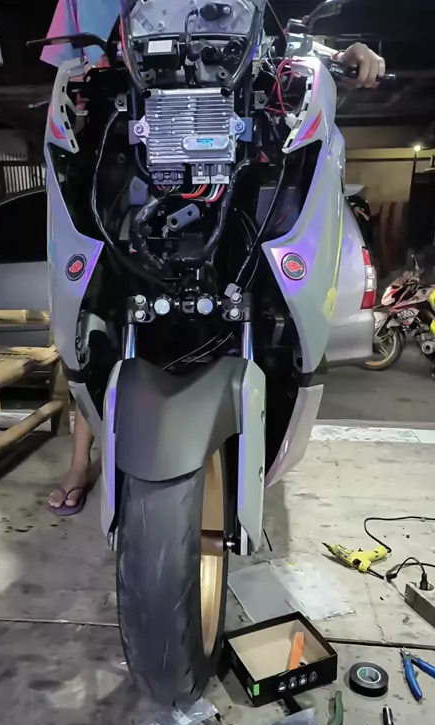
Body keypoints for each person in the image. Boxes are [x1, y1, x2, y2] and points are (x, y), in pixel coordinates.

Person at [43, 0, 385, 515]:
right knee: (97, 308)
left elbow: (292, 40)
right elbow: (80, 56)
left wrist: (341, 52)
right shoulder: (123, 13)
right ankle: (79, 461)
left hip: (237, 150)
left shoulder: (247, 17)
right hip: (143, 150)